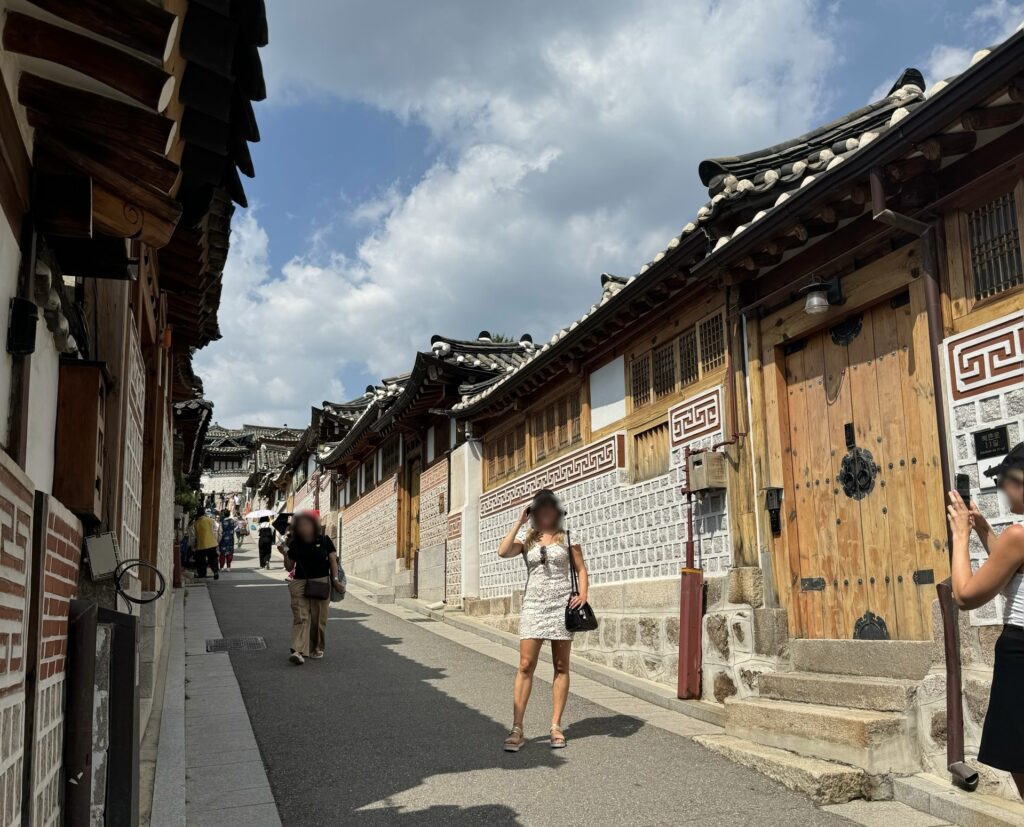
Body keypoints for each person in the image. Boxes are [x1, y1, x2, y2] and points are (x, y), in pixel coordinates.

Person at [948, 441, 1024, 798]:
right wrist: (982, 530)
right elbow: (1010, 567)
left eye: (1003, 482)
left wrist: (960, 535)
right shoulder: (1014, 541)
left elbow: (964, 595)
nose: (1003, 492)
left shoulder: (1019, 537)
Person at [497, 488, 588, 752]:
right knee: (525, 664)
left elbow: (581, 570)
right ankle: (517, 728)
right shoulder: (528, 541)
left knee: (561, 666)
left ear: (556, 511)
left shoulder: (568, 537)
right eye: (540, 508)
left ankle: (556, 725)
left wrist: (582, 594)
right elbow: (503, 552)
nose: (546, 512)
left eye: (550, 507)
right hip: (534, 606)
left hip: (561, 606)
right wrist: (518, 522)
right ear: (535, 512)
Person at [281, 512, 345, 665]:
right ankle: (298, 650)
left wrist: (335, 581)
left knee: (318, 619)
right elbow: (289, 566)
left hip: (321, 582)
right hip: (300, 583)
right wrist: (285, 554)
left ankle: (316, 648)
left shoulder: (324, 540)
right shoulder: (295, 543)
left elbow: (333, 561)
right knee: (301, 617)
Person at [189, 509, 221, 580]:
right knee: (213, 558)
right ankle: (215, 570)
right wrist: (216, 541)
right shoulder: (210, 520)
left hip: (201, 545)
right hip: (212, 543)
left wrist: (192, 546)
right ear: (204, 514)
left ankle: (202, 574)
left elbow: (193, 536)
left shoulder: (196, 523)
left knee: (200, 560)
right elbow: (215, 531)